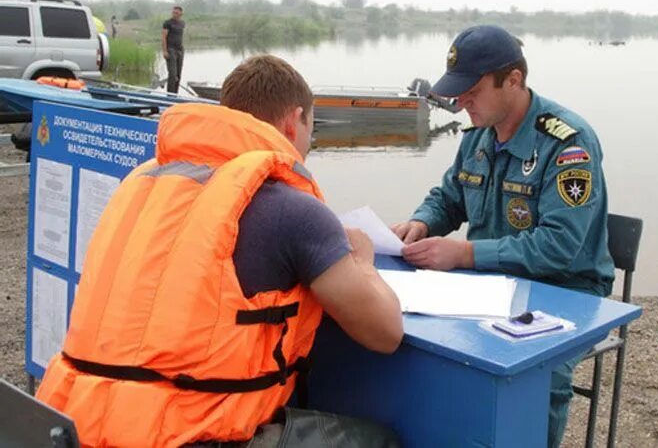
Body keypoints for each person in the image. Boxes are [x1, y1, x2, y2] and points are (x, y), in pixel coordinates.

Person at [36, 55, 403, 447]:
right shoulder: (294, 210)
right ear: (293, 121)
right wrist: (363, 262)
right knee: (379, 441)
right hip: (183, 436)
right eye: (310, 130)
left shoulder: (142, 185)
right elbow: (385, 334)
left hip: (81, 420)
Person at [392, 25, 614, 448]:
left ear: (513, 80)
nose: (460, 103)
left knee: (537, 373)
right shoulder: (478, 135)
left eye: (471, 91)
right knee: (418, 344)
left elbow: (560, 247)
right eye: (458, 92)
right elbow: (450, 197)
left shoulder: (567, 144)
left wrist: (464, 254)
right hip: (489, 286)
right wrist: (420, 223)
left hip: (567, 290)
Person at [162, 5, 185, 93]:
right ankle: (170, 96)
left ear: (181, 13)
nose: (174, 14)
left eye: (177, 13)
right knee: (172, 74)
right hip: (171, 50)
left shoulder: (182, 23)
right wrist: (164, 51)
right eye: (173, 12)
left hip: (180, 50)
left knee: (178, 74)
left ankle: (176, 94)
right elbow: (164, 37)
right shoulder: (167, 23)